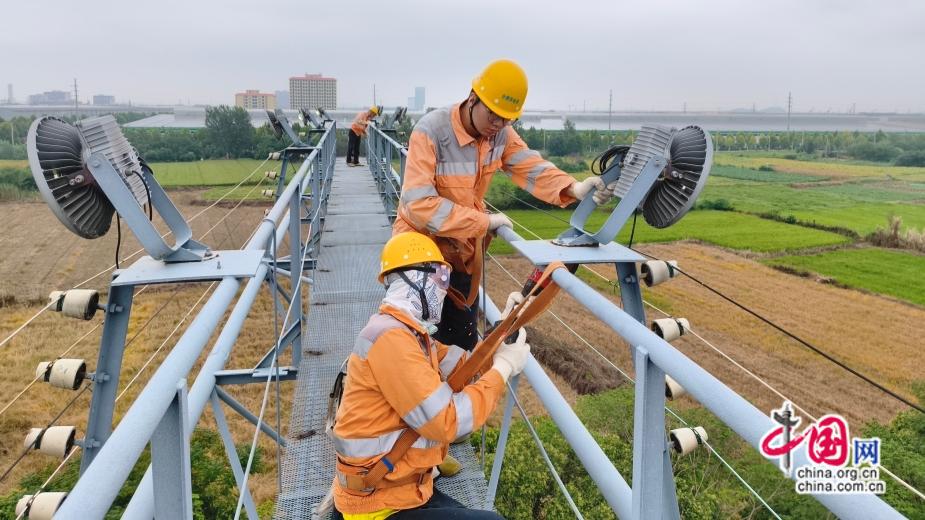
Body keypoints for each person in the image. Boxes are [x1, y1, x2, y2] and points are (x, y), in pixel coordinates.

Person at [393, 59, 617, 351]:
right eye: (494, 115)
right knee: (416, 351)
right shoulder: (431, 131)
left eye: (507, 120)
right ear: (473, 99)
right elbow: (419, 205)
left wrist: (573, 188)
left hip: (461, 257)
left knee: (460, 350)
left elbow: (530, 167)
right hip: (419, 258)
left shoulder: (499, 135)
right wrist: (484, 222)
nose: (498, 125)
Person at [330, 232, 529, 519]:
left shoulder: (411, 335)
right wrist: (504, 368)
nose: (444, 290)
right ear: (416, 279)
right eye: (441, 277)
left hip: (403, 488)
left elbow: (466, 369)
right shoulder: (391, 340)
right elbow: (447, 421)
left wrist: (503, 327)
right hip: (377, 506)